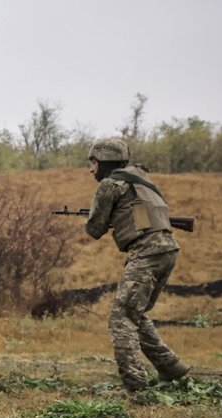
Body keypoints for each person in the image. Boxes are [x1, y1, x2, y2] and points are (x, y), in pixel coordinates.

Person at [83, 138, 190, 392]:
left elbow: (94, 229)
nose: (90, 170)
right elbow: (140, 218)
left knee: (121, 319)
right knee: (135, 314)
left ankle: (136, 387)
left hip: (147, 254)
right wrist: (119, 219)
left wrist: (99, 218)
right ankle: (171, 367)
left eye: (93, 163)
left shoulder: (110, 185)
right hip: (167, 250)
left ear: (105, 163)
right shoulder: (139, 182)